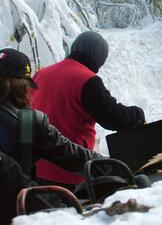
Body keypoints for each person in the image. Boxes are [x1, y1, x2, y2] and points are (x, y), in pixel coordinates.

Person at [31, 31, 145, 187]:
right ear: (99, 57)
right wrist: (138, 114)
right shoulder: (86, 79)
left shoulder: (41, 74)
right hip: (71, 171)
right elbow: (114, 118)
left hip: (36, 167)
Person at [0, 48, 101, 191]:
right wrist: (113, 165)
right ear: (20, 86)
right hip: (13, 207)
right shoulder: (28, 123)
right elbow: (71, 155)